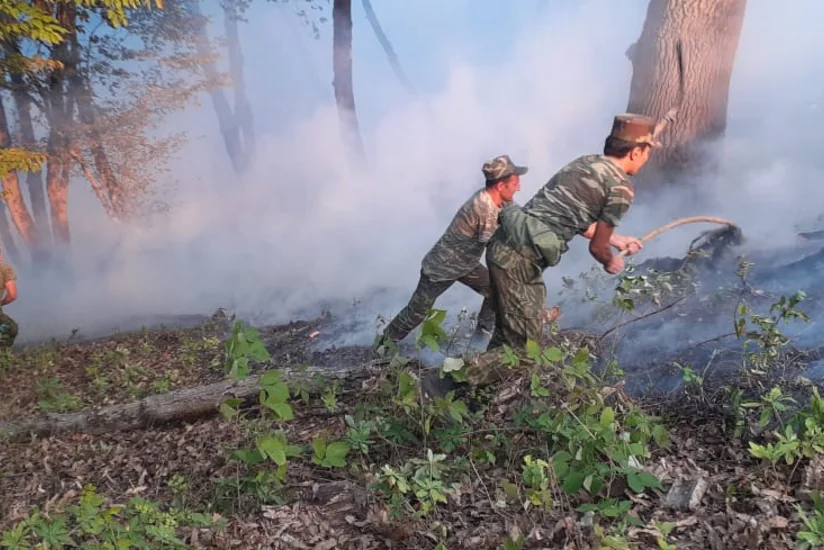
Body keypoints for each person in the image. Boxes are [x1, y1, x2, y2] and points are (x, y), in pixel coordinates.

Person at [485, 113, 657, 352]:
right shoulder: (620, 189)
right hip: (520, 261)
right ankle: (449, 376)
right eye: (648, 152)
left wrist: (616, 239)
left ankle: (468, 376)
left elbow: (571, 217)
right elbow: (597, 248)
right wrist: (611, 261)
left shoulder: (585, 162)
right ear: (636, 152)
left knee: (507, 339)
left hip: (502, 245)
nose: (647, 158)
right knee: (524, 352)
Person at [375, 154, 526, 354]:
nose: (519, 188)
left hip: (466, 264)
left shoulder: (500, 199)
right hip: (442, 267)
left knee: (496, 289)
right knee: (416, 312)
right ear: (500, 186)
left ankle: (481, 339)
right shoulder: (484, 207)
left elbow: (519, 217)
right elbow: (496, 245)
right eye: (515, 183)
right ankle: (382, 347)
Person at [0, 249, 18, 349]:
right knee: (11, 328)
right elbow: (12, 295)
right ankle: (3, 353)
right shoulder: (4, 269)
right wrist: (1, 303)